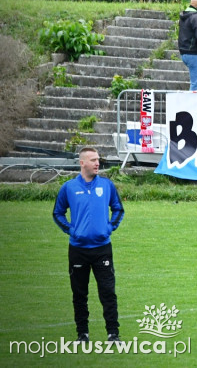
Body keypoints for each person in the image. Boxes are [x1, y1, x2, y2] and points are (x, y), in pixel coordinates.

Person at [52, 146, 125, 344]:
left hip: (102, 249)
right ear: (82, 163)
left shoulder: (107, 185)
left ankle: (113, 334)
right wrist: (71, 230)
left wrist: (108, 229)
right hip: (78, 250)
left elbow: (118, 209)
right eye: (93, 160)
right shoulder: (69, 187)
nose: (97, 163)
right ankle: (82, 334)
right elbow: (57, 213)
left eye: (98, 159)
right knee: (79, 294)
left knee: (108, 292)